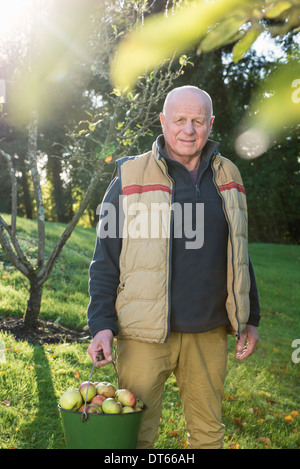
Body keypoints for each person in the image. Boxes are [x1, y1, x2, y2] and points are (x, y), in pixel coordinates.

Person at [87, 85, 260, 449]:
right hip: (143, 333)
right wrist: (102, 325)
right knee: (131, 437)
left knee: (208, 435)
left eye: (198, 121)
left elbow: (240, 253)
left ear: (210, 124)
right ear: (163, 121)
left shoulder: (229, 175)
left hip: (209, 332)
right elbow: (105, 257)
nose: (188, 130)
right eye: (179, 120)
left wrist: (251, 318)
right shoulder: (129, 176)